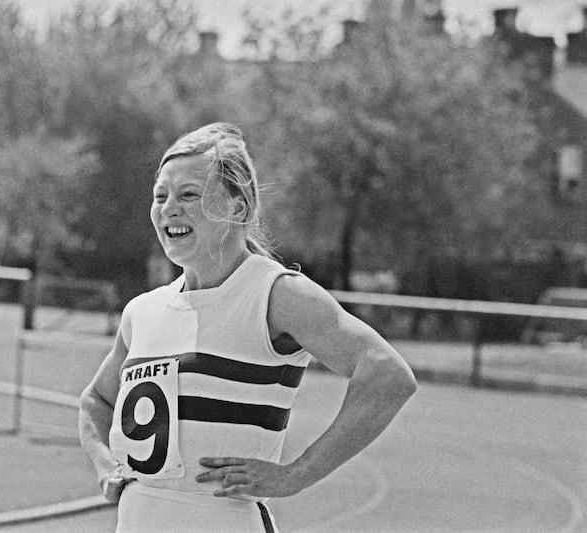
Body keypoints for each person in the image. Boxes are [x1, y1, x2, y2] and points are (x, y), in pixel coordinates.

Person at [79, 122, 417, 532]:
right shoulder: (143, 311)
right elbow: (96, 400)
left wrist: (296, 474)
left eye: (189, 195)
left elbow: (388, 374)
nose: (170, 209)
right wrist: (105, 466)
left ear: (238, 207)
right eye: (160, 196)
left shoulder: (275, 294)